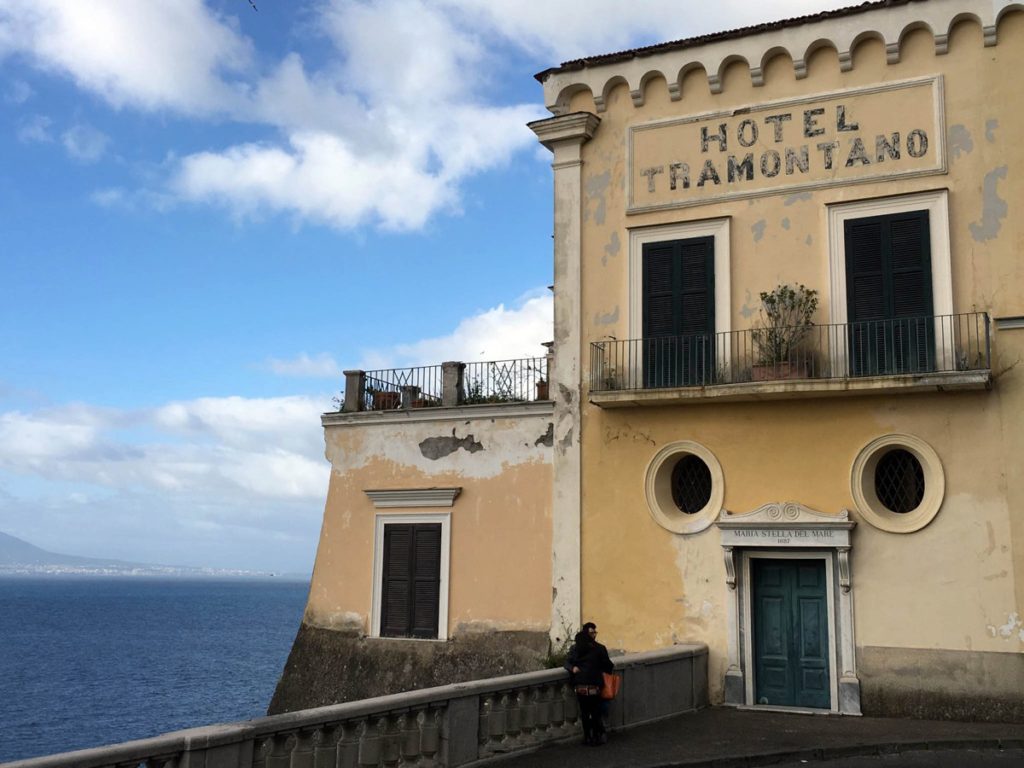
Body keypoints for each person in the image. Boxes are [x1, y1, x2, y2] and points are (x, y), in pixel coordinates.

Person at [565, 622, 614, 746]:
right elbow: (608, 666)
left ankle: (587, 737)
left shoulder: (576, 649)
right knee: (596, 712)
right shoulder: (599, 649)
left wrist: (573, 668)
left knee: (585, 713)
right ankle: (597, 736)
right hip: (594, 686)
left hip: (580, 686)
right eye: (592, 633)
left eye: (595, 632)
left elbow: (567, 662)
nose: (594, 635)